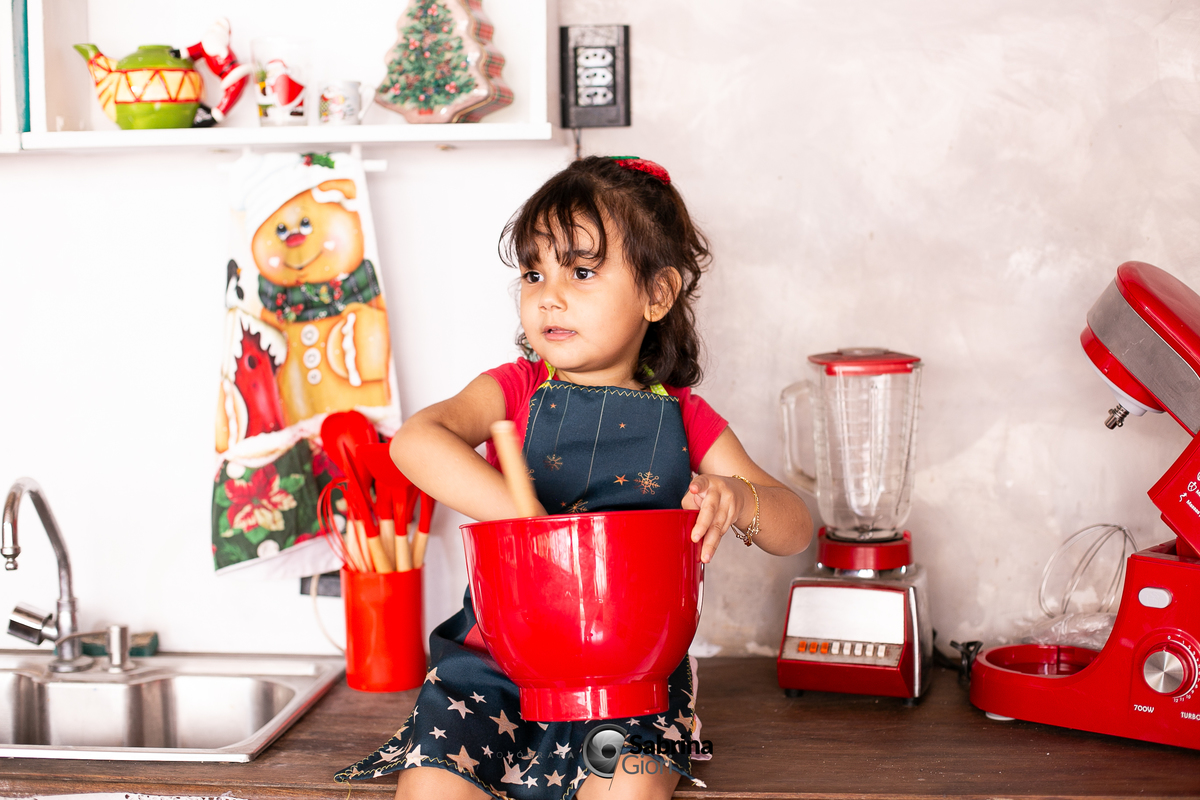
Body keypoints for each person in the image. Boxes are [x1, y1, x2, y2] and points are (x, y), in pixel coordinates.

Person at [335, 156, 812, 800]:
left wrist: (738, 498)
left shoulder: (686, 417)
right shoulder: (514, 390)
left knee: (628, 791)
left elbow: (795, 527)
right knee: (432, 792)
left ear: (658, 294)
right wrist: (516, 512)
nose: (548, 295)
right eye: (534, 272)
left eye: (582, 271)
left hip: (631, 682)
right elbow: (417, 442)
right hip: (492, 673)